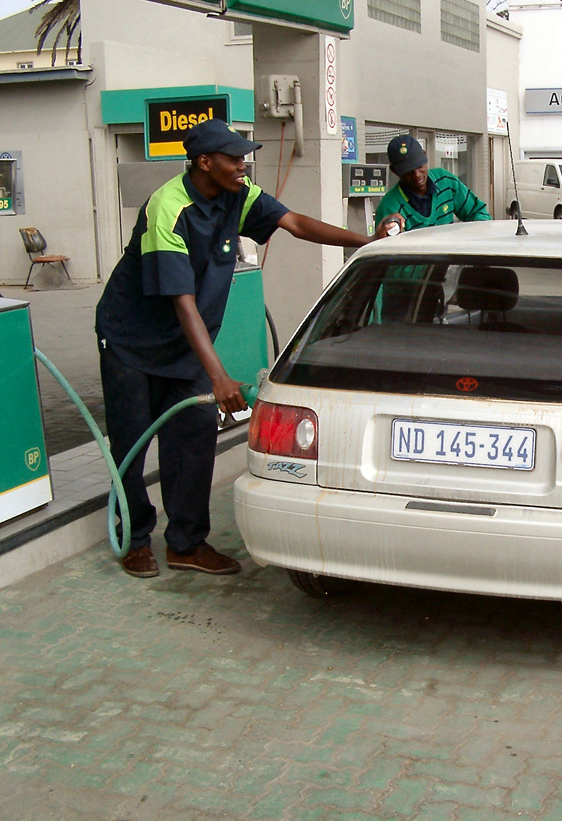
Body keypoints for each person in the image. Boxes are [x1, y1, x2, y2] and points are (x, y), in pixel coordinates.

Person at [96, 118, 399, 579]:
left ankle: (185, 543)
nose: (243, 164)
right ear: (204, 162)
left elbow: (295, 222)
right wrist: (218, 375)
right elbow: (182, 302)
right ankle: (136, 539)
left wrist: (367, 242)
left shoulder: (237, 196)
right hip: (130, 340)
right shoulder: (168, 208)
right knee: (131, 441)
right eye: (234, 158)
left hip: (183, 347)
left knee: (193, 439)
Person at [374, 135, 491, 234]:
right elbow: (391, 255)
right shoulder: (390, 207)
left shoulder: (445, 181)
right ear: (394, 170)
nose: (416, 175)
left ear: (425, 157)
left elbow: (477, 212)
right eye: (408, 171)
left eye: (419, 166)